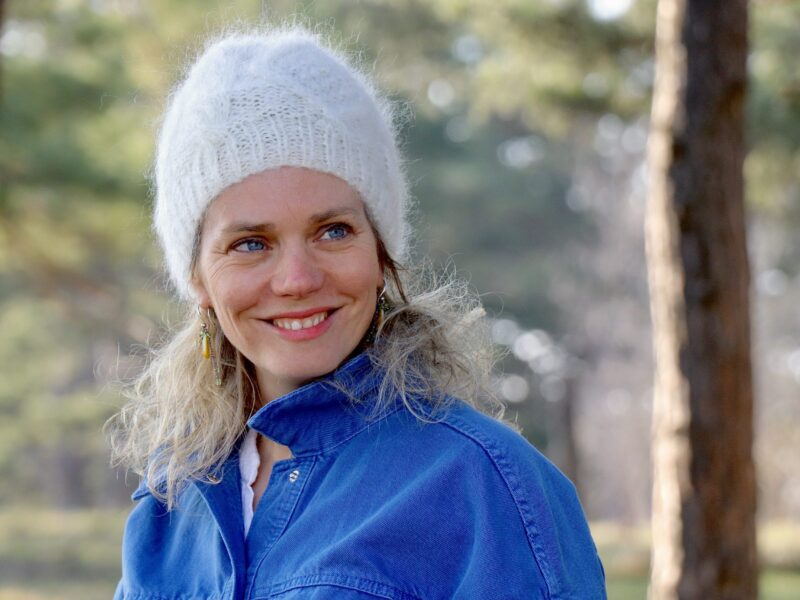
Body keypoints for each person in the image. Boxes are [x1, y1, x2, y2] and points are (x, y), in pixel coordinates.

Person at [108, 26, 606, 600]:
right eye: (250, 243)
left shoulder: (484, 483)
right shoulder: (170, 503)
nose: (297, 279)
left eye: (333, 230)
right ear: (196, 276)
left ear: (380, 250)